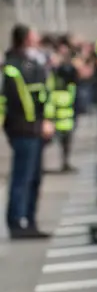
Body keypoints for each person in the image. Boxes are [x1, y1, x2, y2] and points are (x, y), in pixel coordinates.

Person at [2, 24, 53, 239]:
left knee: (33, 178)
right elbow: (23, 99)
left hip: (33, 128)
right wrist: (38, 122)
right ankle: (17, 222)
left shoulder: (34, 62)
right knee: (22, 177)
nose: (37, 38)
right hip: (24, 129)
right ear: (25, 39)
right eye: (33, 35)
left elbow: (42, 91)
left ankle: (29, 220)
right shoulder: (15, 66)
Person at [49, 39, 79, 173]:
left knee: (67, 138)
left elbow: (75, 83)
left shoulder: (70, 68)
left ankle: (65, 162)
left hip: (68, 107)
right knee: (49, 138)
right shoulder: (51, 67)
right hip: (54, 106)